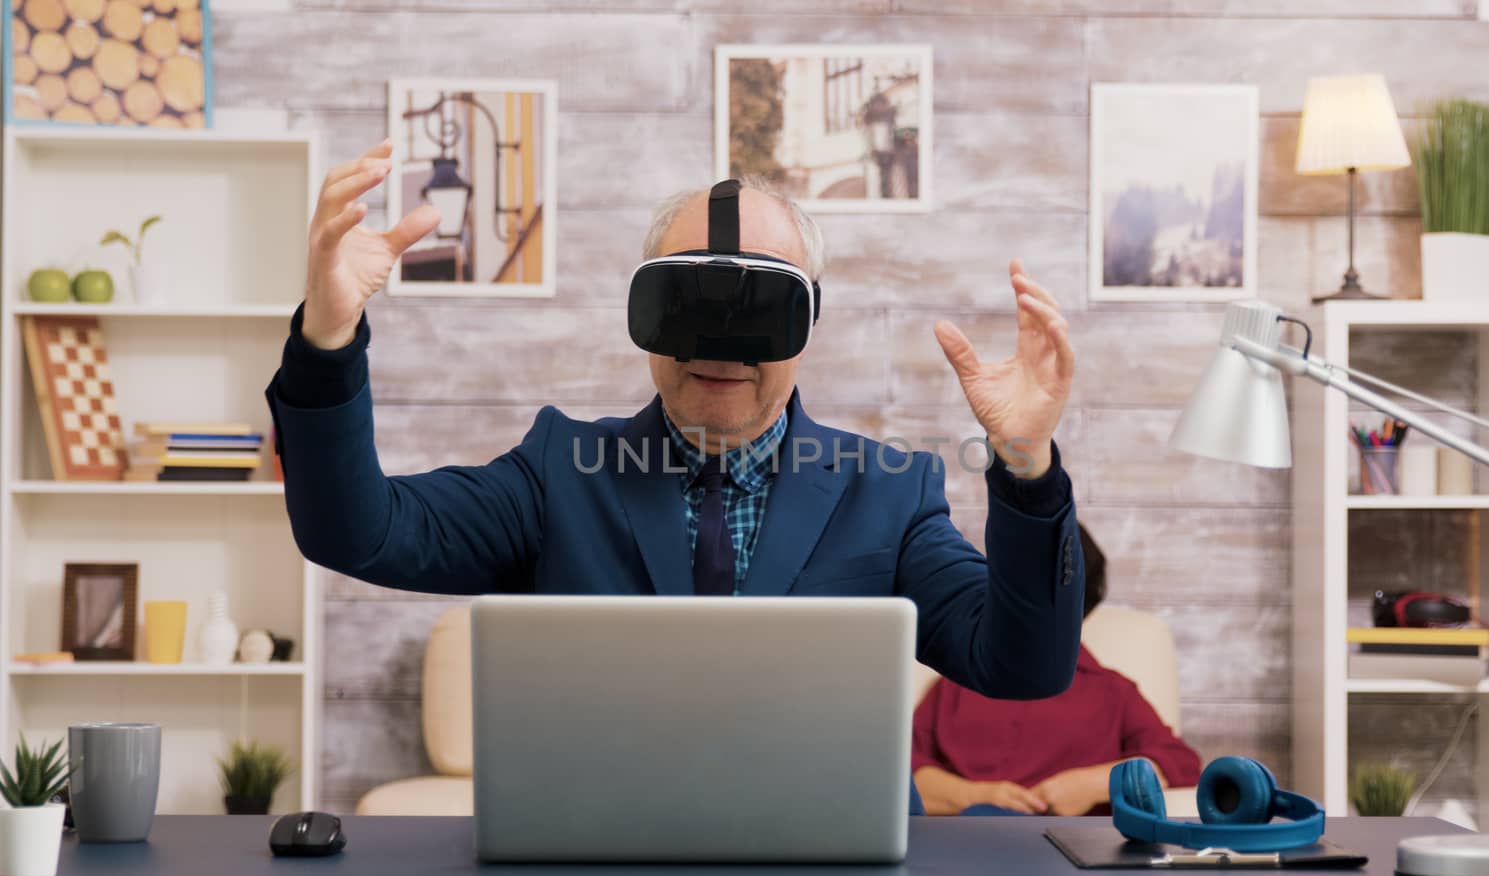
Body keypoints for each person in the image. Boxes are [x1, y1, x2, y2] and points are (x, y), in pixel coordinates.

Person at [264, 140, 1088, 815]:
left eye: (758, 309)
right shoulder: (561, 473)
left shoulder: (888, 490)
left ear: (807, 323)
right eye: (688, 301)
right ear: (646, 315)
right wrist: (328, 338)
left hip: (835, 866)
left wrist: (1025, 460)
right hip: (598, 859)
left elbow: (1025, 666)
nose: (719, 346)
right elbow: (356, 530)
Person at [911, 525, 1201, 816]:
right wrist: (976, 796)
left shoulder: (1113, 691)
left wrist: (1093, 784)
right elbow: (898, 766)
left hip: (1067, 845)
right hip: (966, 838)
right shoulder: (956, 681)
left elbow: (1179, 764)